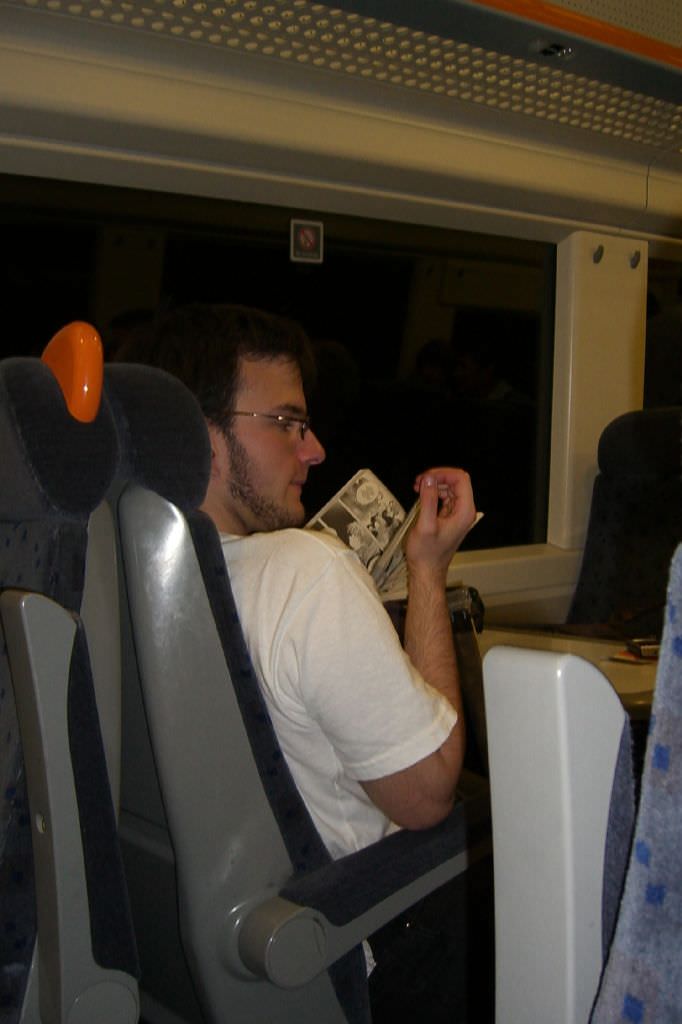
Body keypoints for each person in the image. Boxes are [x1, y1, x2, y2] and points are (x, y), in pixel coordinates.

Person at [141, 303, 491, 1021]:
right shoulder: (305, 571)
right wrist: (429, 571)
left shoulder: (132, 581)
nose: (315, 450)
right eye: (288, 424)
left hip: (194, 937)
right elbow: (427, 794)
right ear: (203, 437)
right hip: (360, 933)